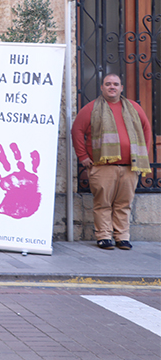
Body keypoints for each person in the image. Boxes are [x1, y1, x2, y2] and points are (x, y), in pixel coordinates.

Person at [71, 73, 152, 250]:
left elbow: (146, 129)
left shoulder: (134, 107)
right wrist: (83, 157)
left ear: (121, 88)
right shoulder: (92, 108)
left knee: (124, 204)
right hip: (102, 166)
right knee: (103, 204)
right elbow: (76, 130)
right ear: (102, 88)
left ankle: (122, 237)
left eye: (115, 84)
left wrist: (142, 155)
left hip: (129, 166)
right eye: (108, 84)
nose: (112, 87)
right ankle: (104, 237)